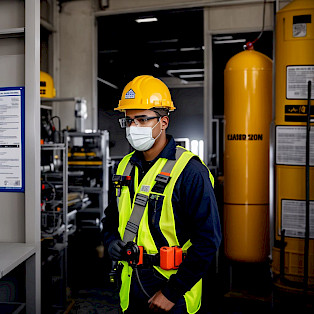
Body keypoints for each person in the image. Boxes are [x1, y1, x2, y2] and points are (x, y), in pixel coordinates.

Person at [102, 75, 221, 313]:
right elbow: (111, 219)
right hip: (131, 283)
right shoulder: (124, 166)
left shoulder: (190, 171)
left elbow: (208, 241)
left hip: (172, 291)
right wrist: (110, 241)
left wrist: (172, 292)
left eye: (143, 119)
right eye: (129, 121)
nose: (134, 127)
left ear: (163, 122)